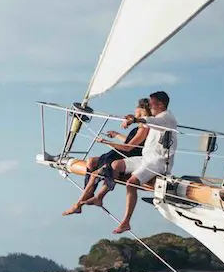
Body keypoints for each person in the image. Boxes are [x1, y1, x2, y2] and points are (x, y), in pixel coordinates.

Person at [82, 91, 178, 234]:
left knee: (131, 183)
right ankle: (99, 197)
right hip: (145, 158)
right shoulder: (158, 117)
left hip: (158, 162)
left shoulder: (167, 118)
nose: (150, 105)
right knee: (116, 165)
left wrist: (133, 120)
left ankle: (126, 222)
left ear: (161, 104)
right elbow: (145, 121)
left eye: (152, 103)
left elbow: (148, 121)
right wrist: (130, 120)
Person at [62, 99, 152, 216]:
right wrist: (116, 135)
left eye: (139, 113)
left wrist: (106, 142)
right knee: (91, 161)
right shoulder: (138, 128)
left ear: (144, 113)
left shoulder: (144, 129)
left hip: (126, 156)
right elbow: (131, 142)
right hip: (120, 153)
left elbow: (128, 148)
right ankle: (88, 193)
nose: (136, 114)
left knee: (95, 175)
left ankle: (78, 205)